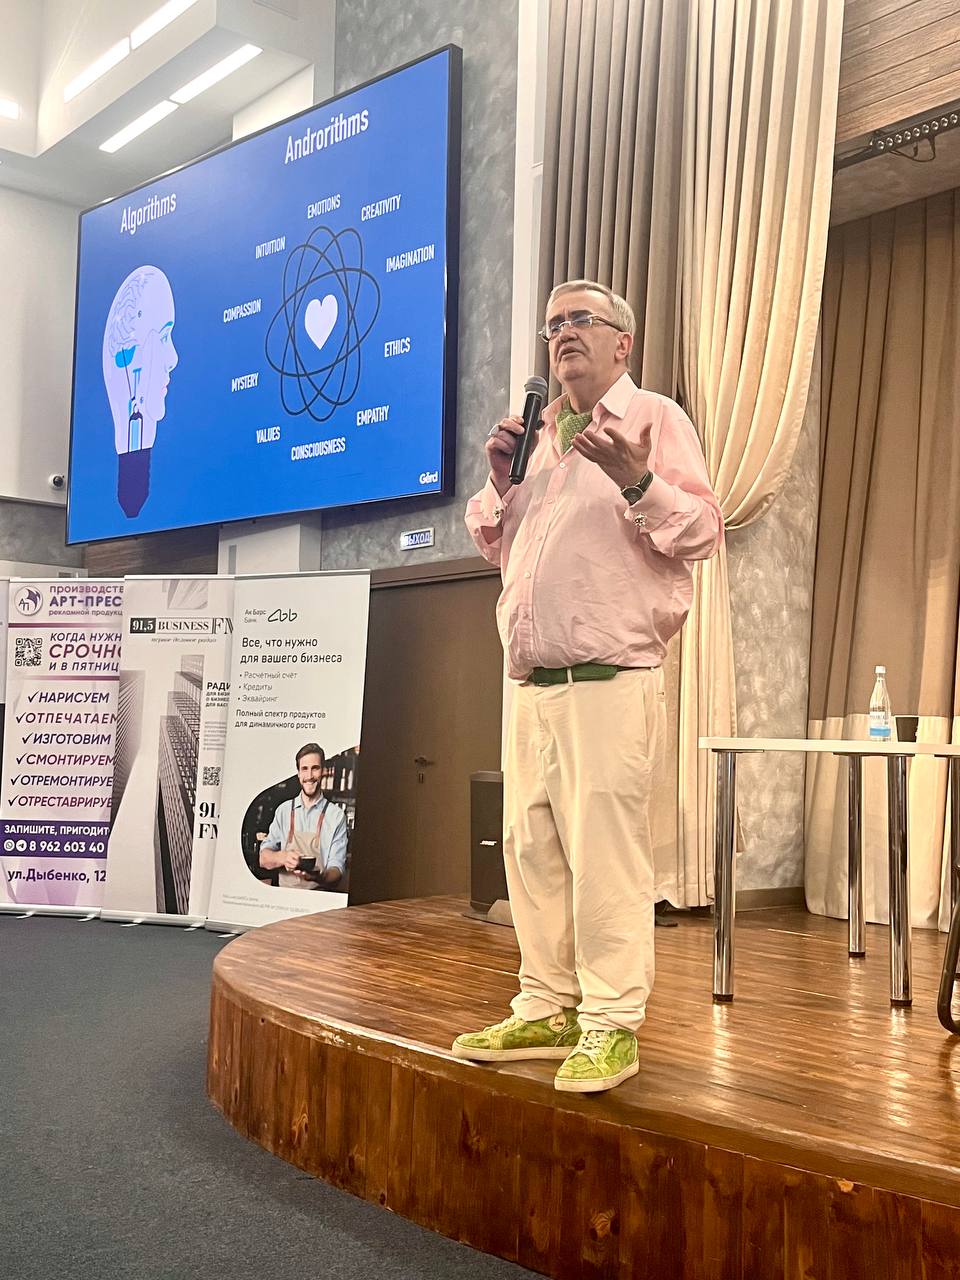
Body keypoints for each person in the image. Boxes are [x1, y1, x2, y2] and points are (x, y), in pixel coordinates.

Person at [453, 279, 723, 1093]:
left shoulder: (654, 419)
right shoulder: (535, 439)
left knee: (606, 859)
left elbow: (703, 531)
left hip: (609, 678)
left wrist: (640, 481)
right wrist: (501, 483)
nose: (563, 333)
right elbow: (497, 546)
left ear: (621, 343)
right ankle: (546, 1005)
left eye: (580, 320)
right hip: (531, 682)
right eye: (552, 325)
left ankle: (610, 1023)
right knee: (531, 851)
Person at [259, 743, 348, 890]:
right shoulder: (283, 811)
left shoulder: (336, 816)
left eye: (315, 768)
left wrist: (319, 876)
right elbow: (263, 859)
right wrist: (283, 857)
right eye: (304, 769)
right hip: (285, 896)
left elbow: (337, 869)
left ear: (323, 771)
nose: (309, 776)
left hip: (318, 897)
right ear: (298, 773)